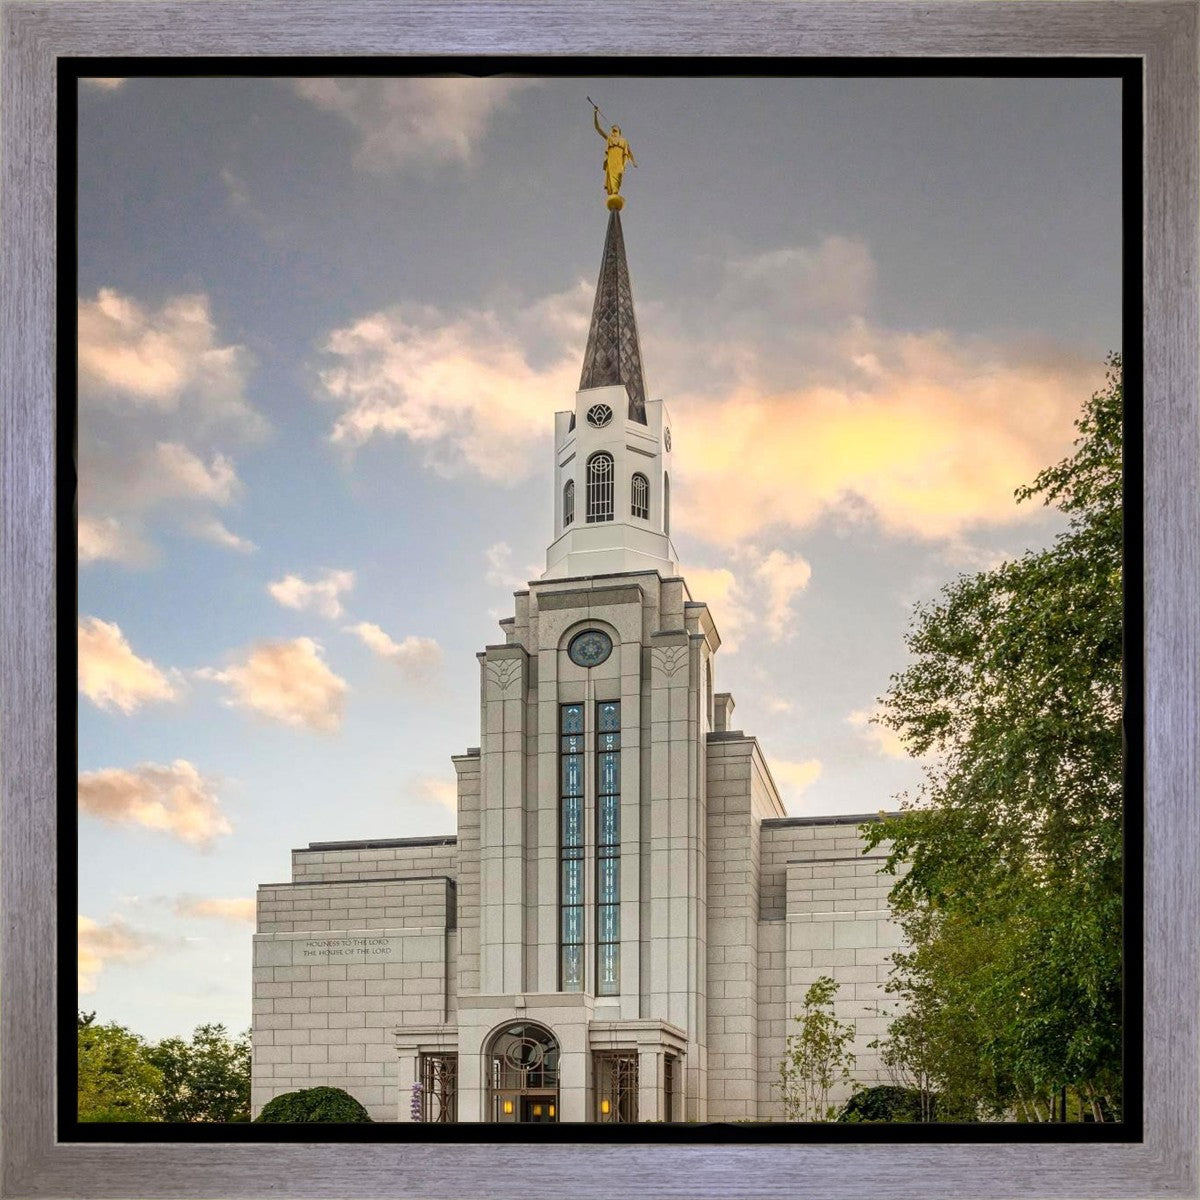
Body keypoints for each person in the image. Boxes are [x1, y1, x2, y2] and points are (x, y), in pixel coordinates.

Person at [593, 108, 637, 197]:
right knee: (611, 179)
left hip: (619, 161)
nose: (613, 131)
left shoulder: (623, 140)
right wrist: (595, 114)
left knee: (618, 176)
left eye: (615, 130)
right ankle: (614, 193)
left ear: (619, 132)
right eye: (612, 130)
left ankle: (615, 192)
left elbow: (629, 152)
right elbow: (598, 128)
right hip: (611, 160)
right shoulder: (609, 138)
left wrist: (633, 162)